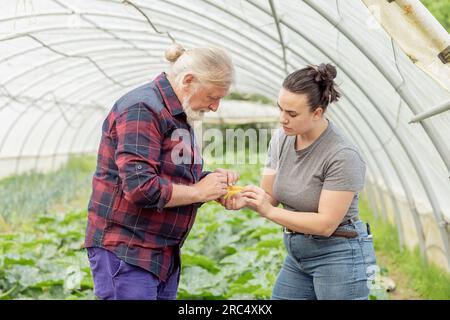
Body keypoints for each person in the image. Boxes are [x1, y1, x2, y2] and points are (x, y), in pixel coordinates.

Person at [84, 43, 238, 300]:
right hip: (128, 251)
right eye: (212, 97)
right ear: (188, 81)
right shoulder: (142, 109)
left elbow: (172, 177)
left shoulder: (178, 114)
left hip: (159, 253)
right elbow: (140, 187)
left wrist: (210, 183)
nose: (215, 107)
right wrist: (199, 191)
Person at [224, 63, 377, 300]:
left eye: (292, 114)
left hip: (339, 255)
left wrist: (266, 211)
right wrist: (241, 197)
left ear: (317, 113)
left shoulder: (342, 155)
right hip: (298, 255)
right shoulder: (281, 139)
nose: (282, 119)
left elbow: (325, 224)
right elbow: (270, 196)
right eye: (281, 109)